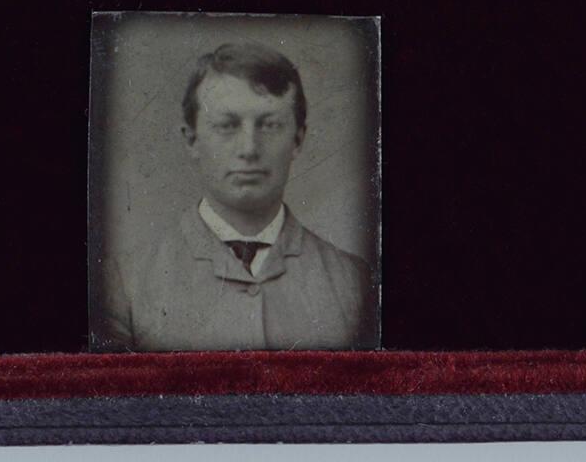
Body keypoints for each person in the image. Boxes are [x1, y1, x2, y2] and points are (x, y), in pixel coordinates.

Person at [96, 41, 376, 351]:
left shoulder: (355, 283)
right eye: (226, 126)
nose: (249, 149)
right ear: (191, 140)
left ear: (298, 139)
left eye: (269, 125)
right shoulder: (123, 285)